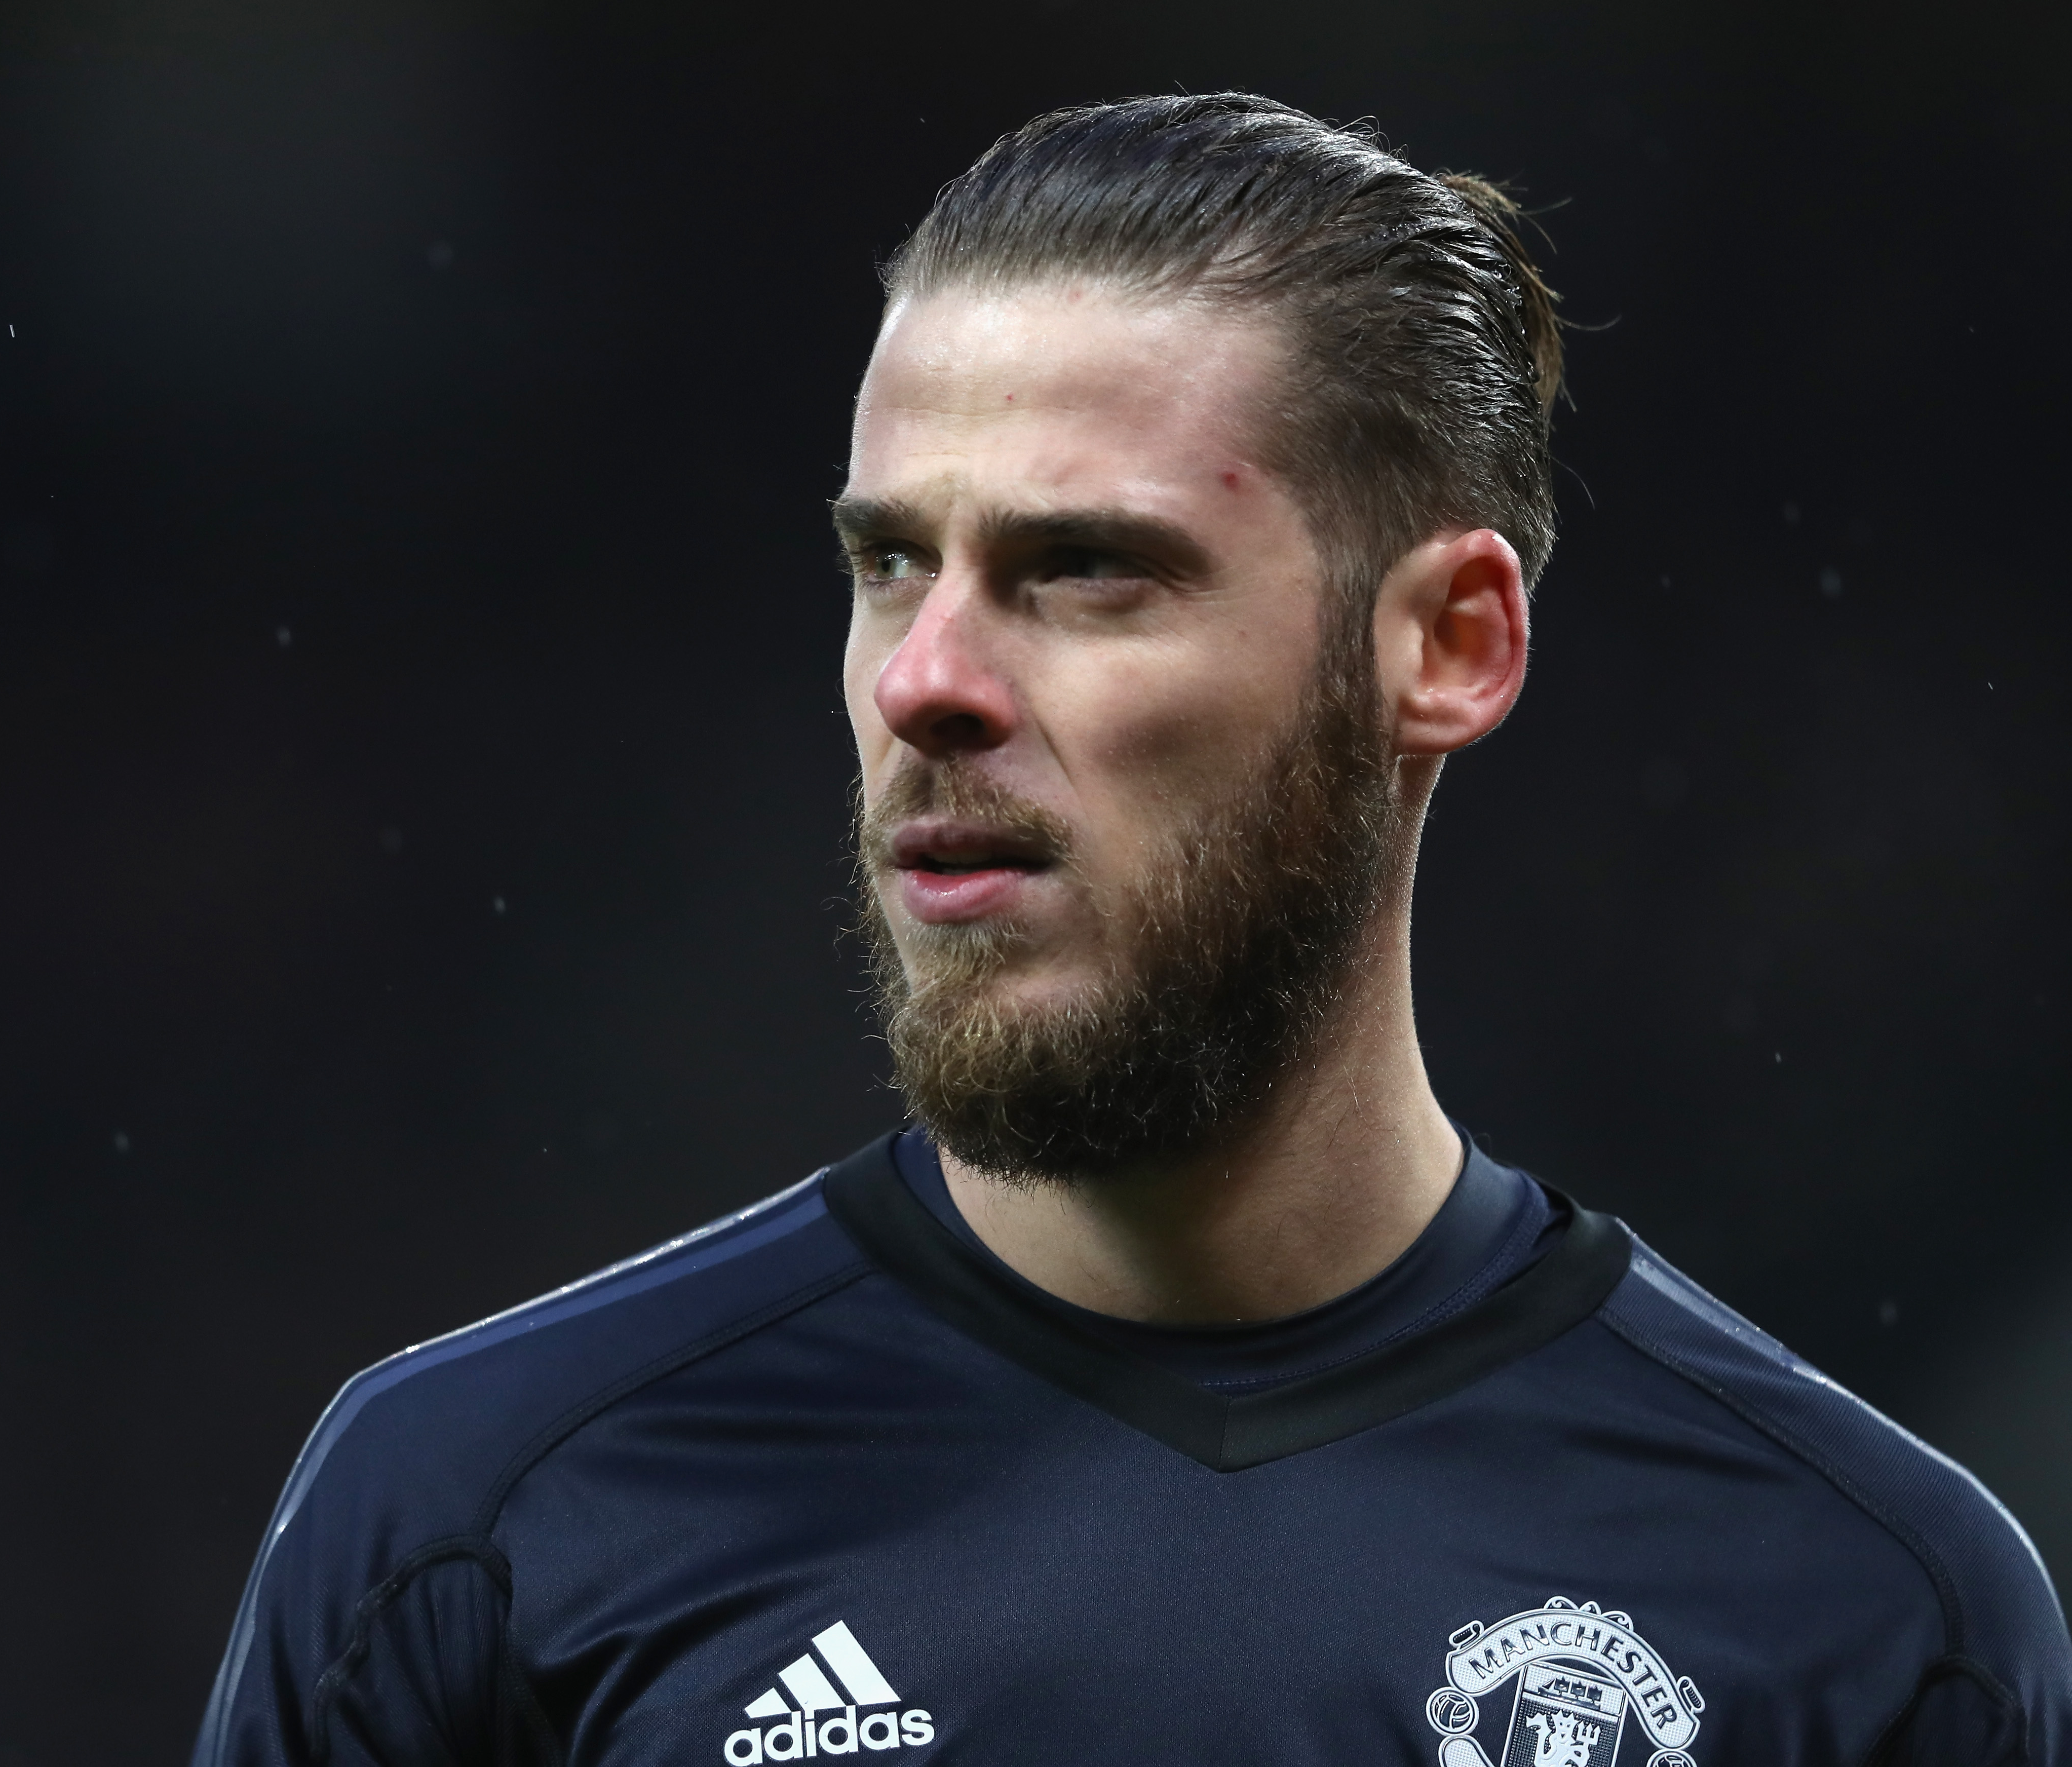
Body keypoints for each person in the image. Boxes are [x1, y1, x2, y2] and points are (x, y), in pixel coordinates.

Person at [190, 94, 2070, 1767]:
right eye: (888, 564)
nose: (925, 681)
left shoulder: (1857, 1615)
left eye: (1084, 569)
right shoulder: (477, 1528)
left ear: (1449, 646)